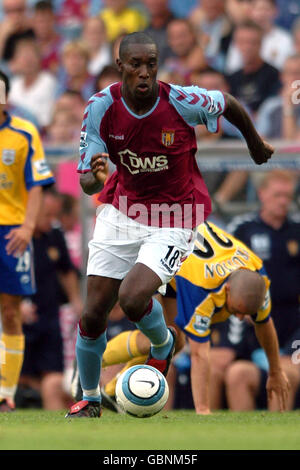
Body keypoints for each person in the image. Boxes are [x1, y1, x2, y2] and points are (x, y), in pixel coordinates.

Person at [65, 31, 274, 419]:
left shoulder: (182, 100)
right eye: (136, 65)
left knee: (131, 299)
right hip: (122, 211)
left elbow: (228, 103)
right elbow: (87, 178)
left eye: (152, 64)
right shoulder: (99, 106)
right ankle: (89, 399)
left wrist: (255, 144)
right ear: (120, 67)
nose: (145, 73)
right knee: (93, 313)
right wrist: (95, 175)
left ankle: (162, 344)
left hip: (175, 216)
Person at [71, 221, 290, 415]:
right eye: (238, 310)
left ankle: (111, 390)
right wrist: (202, 409)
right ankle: (90, 364)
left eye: (246, 313)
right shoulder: (203, 293)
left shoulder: (258, 277)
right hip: (168, 253)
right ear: (228, 290)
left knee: (170, 342)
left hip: (188, 248)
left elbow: (264, 324)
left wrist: (276, 371)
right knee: (170, 341)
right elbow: (200, 354)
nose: (241, 318)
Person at [0, 69, 55, 412]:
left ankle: (6, 393)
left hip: (11, 232)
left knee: (10, 312)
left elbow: (36, 182)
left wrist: (28, 225)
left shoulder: (24, 131)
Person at [226, 170, 300, 411]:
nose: (283, 201)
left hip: (295, 326)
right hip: (255, 322)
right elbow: (222, 270)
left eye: (287, 196)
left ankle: (278, 442)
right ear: (262, 194)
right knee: (237, 374)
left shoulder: (297, 230)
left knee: (287, 370)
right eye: (278, 195)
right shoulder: (242, 228)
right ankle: (244, 443)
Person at [19, 190, 82, 410]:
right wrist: (15, 306)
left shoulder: (54, 236)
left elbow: (67, 271)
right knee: (21, 375)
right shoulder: (14, 236)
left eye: (54, 216)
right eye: (47, 216)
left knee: (53, 375)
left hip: (49, 314)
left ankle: (53, 419)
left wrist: (75, 300)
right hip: (17, 318)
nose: (51, 222)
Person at [227, 20, 281, 114]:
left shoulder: (274, 75)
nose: (247, 47)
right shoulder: (232, 78)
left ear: (261, 43)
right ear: (236, 44)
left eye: (253, 42)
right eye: (242, 42)